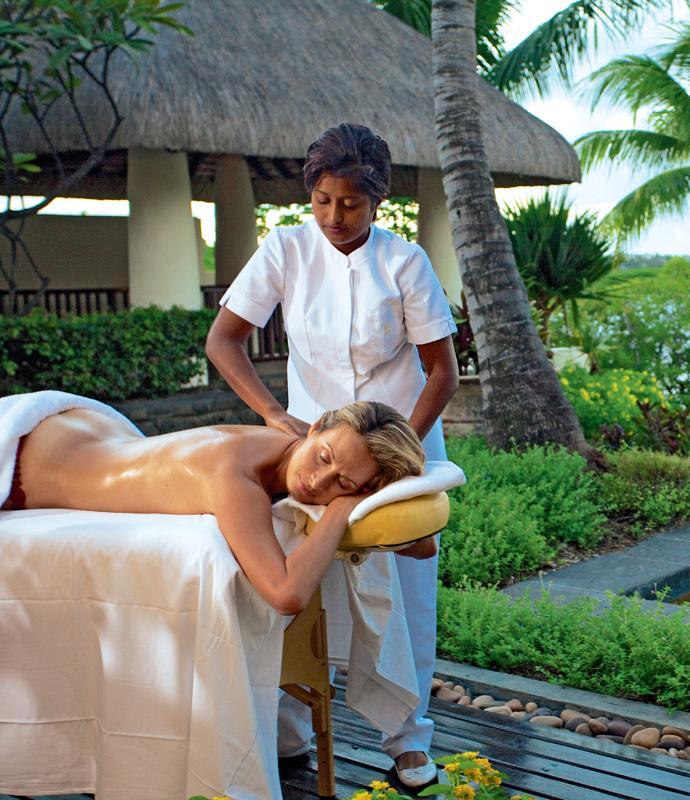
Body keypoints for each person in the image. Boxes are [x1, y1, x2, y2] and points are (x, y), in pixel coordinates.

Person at [205, 122, 458, 787]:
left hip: (400, 459)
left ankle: (408, 742)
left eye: (350, 203)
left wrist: (400, 453)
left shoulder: (405, 263)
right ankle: (290, 733)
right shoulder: (285, 250)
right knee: (300, 585)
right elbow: (224, 341)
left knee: (404, 601)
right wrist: (271, 414)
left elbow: (442, 373)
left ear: (377, 200)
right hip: (314, 461)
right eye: (322, 200)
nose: (334, 217)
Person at [4, 399, 424, 617]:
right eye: (323, 457)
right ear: (314, 428)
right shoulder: (232, 473)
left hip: (85, 432)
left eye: (343, 484)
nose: (317, 482)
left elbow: (423, 546)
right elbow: (286, 595)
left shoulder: (278, 451)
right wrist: (340, 507)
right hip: (28, 459)